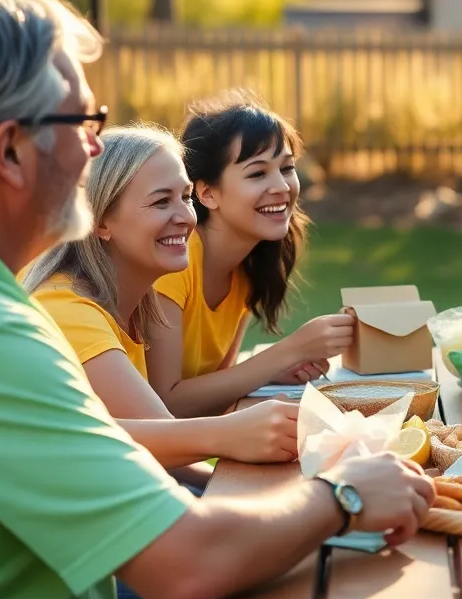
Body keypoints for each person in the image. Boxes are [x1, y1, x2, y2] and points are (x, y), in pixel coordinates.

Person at [0, 0, 434, 599]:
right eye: (84, 126)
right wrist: (344, 495)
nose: (96, 153)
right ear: (10, 152)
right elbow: (190, 567)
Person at [23, 125, 299, 492]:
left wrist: (230, 482)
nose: (186, 217)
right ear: (99, 221)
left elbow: (157, 453)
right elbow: (162, 437)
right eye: (160, 202)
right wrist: (236, 430)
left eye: (185, 197)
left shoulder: (136, 304)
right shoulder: (66, 308)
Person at [145, 93, 354, 418]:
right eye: (257, 174)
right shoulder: (175, 263)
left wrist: (270, 371)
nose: (282, 187)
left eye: (286, 168)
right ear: (207, 193)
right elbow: (166, 405)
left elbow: (215, 394)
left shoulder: (245, 269)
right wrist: (290, 350)